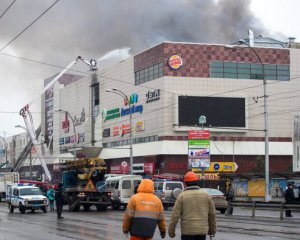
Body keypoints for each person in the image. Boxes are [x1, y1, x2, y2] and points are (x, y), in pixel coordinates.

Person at [168, 171, 216, 240]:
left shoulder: (182, 196)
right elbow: (212, 214)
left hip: (187, 232)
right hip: (202, 232)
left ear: (185, 183)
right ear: (196, 181)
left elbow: (175, 216)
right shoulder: (206, 196)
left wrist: (171, 232)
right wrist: (212, 231)